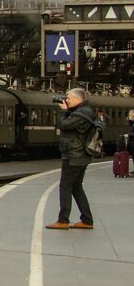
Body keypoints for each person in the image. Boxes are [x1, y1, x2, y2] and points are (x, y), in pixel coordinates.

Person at [46, 88, 99, 230]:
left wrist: (64, 111)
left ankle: (63, 220)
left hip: (74, 155)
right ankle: (87, 220)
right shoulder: (84, 111)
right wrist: (68, 110)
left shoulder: (82, 113)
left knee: (65, 187)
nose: (66, 100)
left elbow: (64, 125)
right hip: (79, 155)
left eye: (68, 98)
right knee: (76, 187)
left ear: (77, 99)